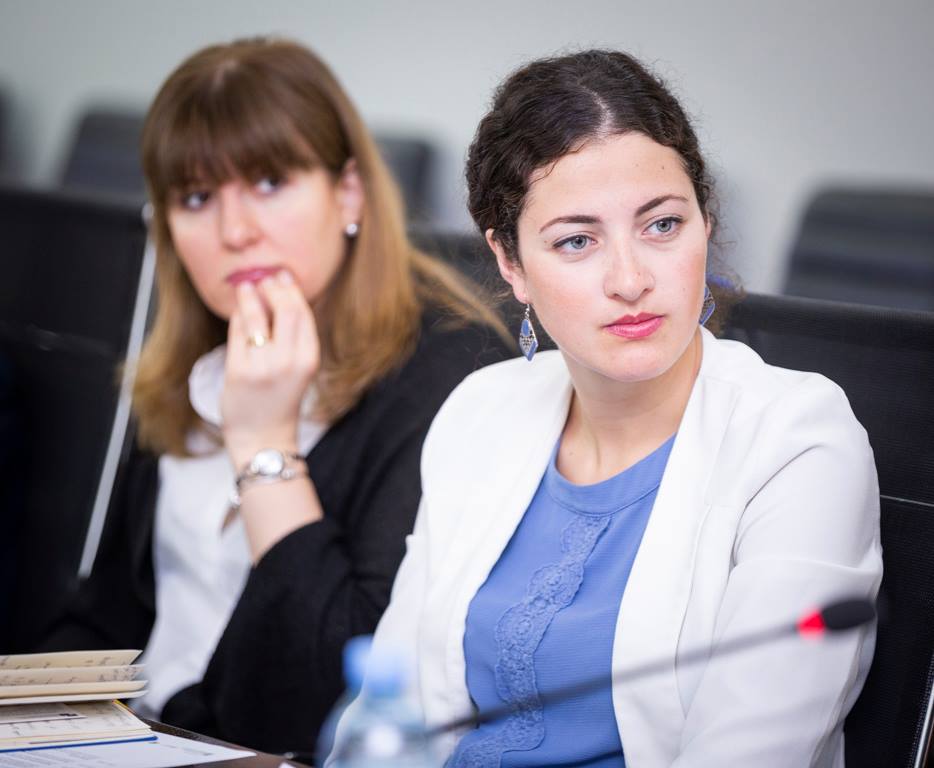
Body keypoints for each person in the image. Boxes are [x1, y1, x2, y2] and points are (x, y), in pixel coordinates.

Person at [346, 50, 882, 766]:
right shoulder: (479, 411)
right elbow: (388, 715)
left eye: (662, 226)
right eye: (577, 241)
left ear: (704, 222)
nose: (630, 280)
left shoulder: (796, 443)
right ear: (510, 263)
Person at [41, 37, 512, 754]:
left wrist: (264, 444)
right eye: (196, 198)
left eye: (268, 183)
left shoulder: (451, 376)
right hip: (131, 738)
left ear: (348, 193)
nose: (235, 232)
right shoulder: (198, 357)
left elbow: (333, 700)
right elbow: (106, 619)